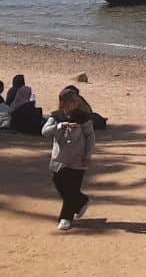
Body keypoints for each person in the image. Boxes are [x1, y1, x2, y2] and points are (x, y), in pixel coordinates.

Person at [41, 88, 95, 231]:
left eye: (75, 101)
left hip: (78, 159)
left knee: (72, 188)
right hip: (60, 159)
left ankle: (66, 218)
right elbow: (45, 132)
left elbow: (91, 137)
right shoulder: (56, 116)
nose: (74, 104)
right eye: (71, 101)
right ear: (63, 103)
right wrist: (60, 126)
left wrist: (88, 156)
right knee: (59, 183)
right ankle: (82, 201)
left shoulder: (83, 117)